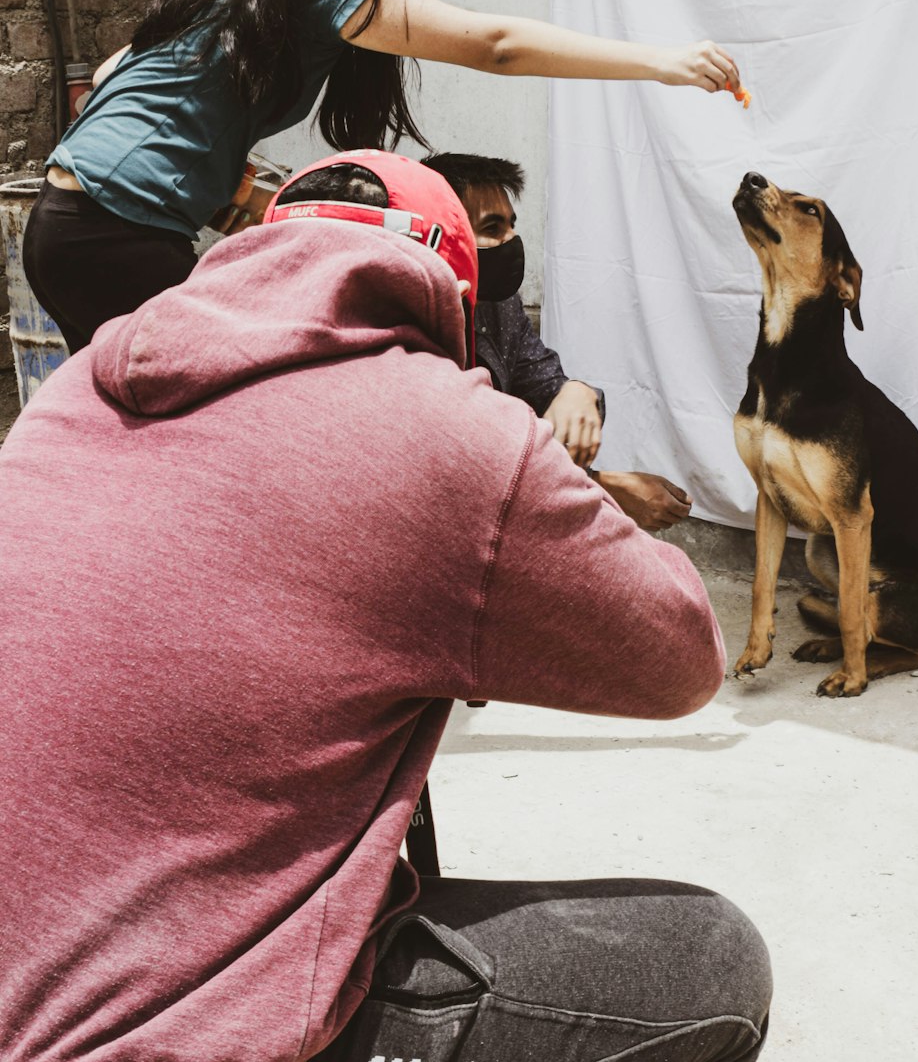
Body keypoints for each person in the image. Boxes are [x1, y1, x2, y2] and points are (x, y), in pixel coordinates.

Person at [0, 149, 770, 1061]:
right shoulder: (446, 428)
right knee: (713, 961)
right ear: (443, 284)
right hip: (152, 1029)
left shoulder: (70, 397)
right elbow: (681, 656)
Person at [21, 0, 745, 355]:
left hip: (66, 225)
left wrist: (226, 189)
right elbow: (496, 47)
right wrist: (663, 62)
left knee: (144, 426)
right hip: (116, 234)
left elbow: (110, 78)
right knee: (222, 422)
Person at [423, 151, 694, 532]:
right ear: (447, 237)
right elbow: (470, 467)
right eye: (493, 227)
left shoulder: (501, 306)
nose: (511, 240)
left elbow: (544, 388)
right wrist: (605, 489)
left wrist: (578, 393)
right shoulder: (417, 325)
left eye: (511, 225)